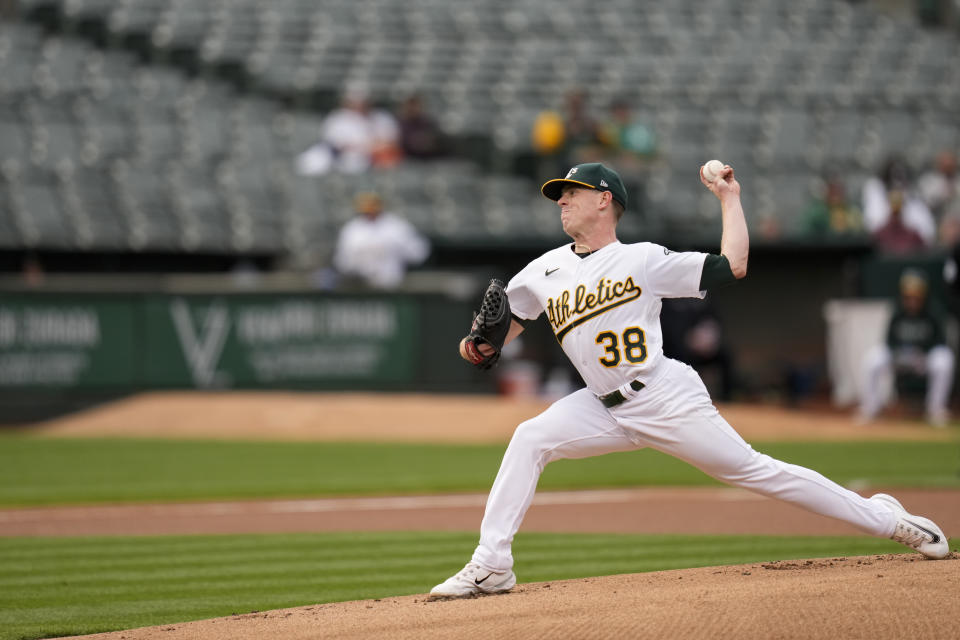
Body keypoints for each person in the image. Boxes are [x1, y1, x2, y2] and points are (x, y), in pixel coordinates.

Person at [429, 162, 950, 598]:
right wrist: (477, 344)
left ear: (605, 200)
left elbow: (734, 266)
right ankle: (492, 564)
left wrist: (729, 198)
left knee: (753, 470)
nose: (561, 201)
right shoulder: (543, 270)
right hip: (600, 404)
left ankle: (889, 521)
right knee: (530, 438)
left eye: (572, 193)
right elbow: (508, 322)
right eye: (559, 195)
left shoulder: (641, 260)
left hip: (662, 395)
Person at [857, 268, 955, 427]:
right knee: (872, 359)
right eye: (909, 296)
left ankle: (935, 409)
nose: (912, 301)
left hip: (924, 358)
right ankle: (870, 408)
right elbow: (888, 341)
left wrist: (922, 355)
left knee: (944, 360)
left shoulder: (934, 311)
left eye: (916, 296)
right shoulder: (897, 310)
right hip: (901, 357)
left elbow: (941, 341)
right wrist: (900, 354)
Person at [331, 192, 429, 289]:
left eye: (372, 207)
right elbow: (342, 261)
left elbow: (418, 253)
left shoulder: (396, 226)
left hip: (391, 283)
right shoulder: (352, 229)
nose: (370, 212)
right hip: (360, 284)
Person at [295, 87, 401, 175]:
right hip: (342, 159)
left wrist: (366, 147)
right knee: (315, 159)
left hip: (372, 161)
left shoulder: (382, 117)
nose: (360, 105)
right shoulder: (338, 118)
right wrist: (367, 146)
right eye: (356, 102)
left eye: (363, 101)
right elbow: (335, 145)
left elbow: (390, 144)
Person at [862, 156, 936, 246]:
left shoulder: (914, 200)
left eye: (900, 177)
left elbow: (927, 234)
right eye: (893, 178)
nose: (897, 184)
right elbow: (872, 229)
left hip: (911, 252)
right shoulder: (876, 194)